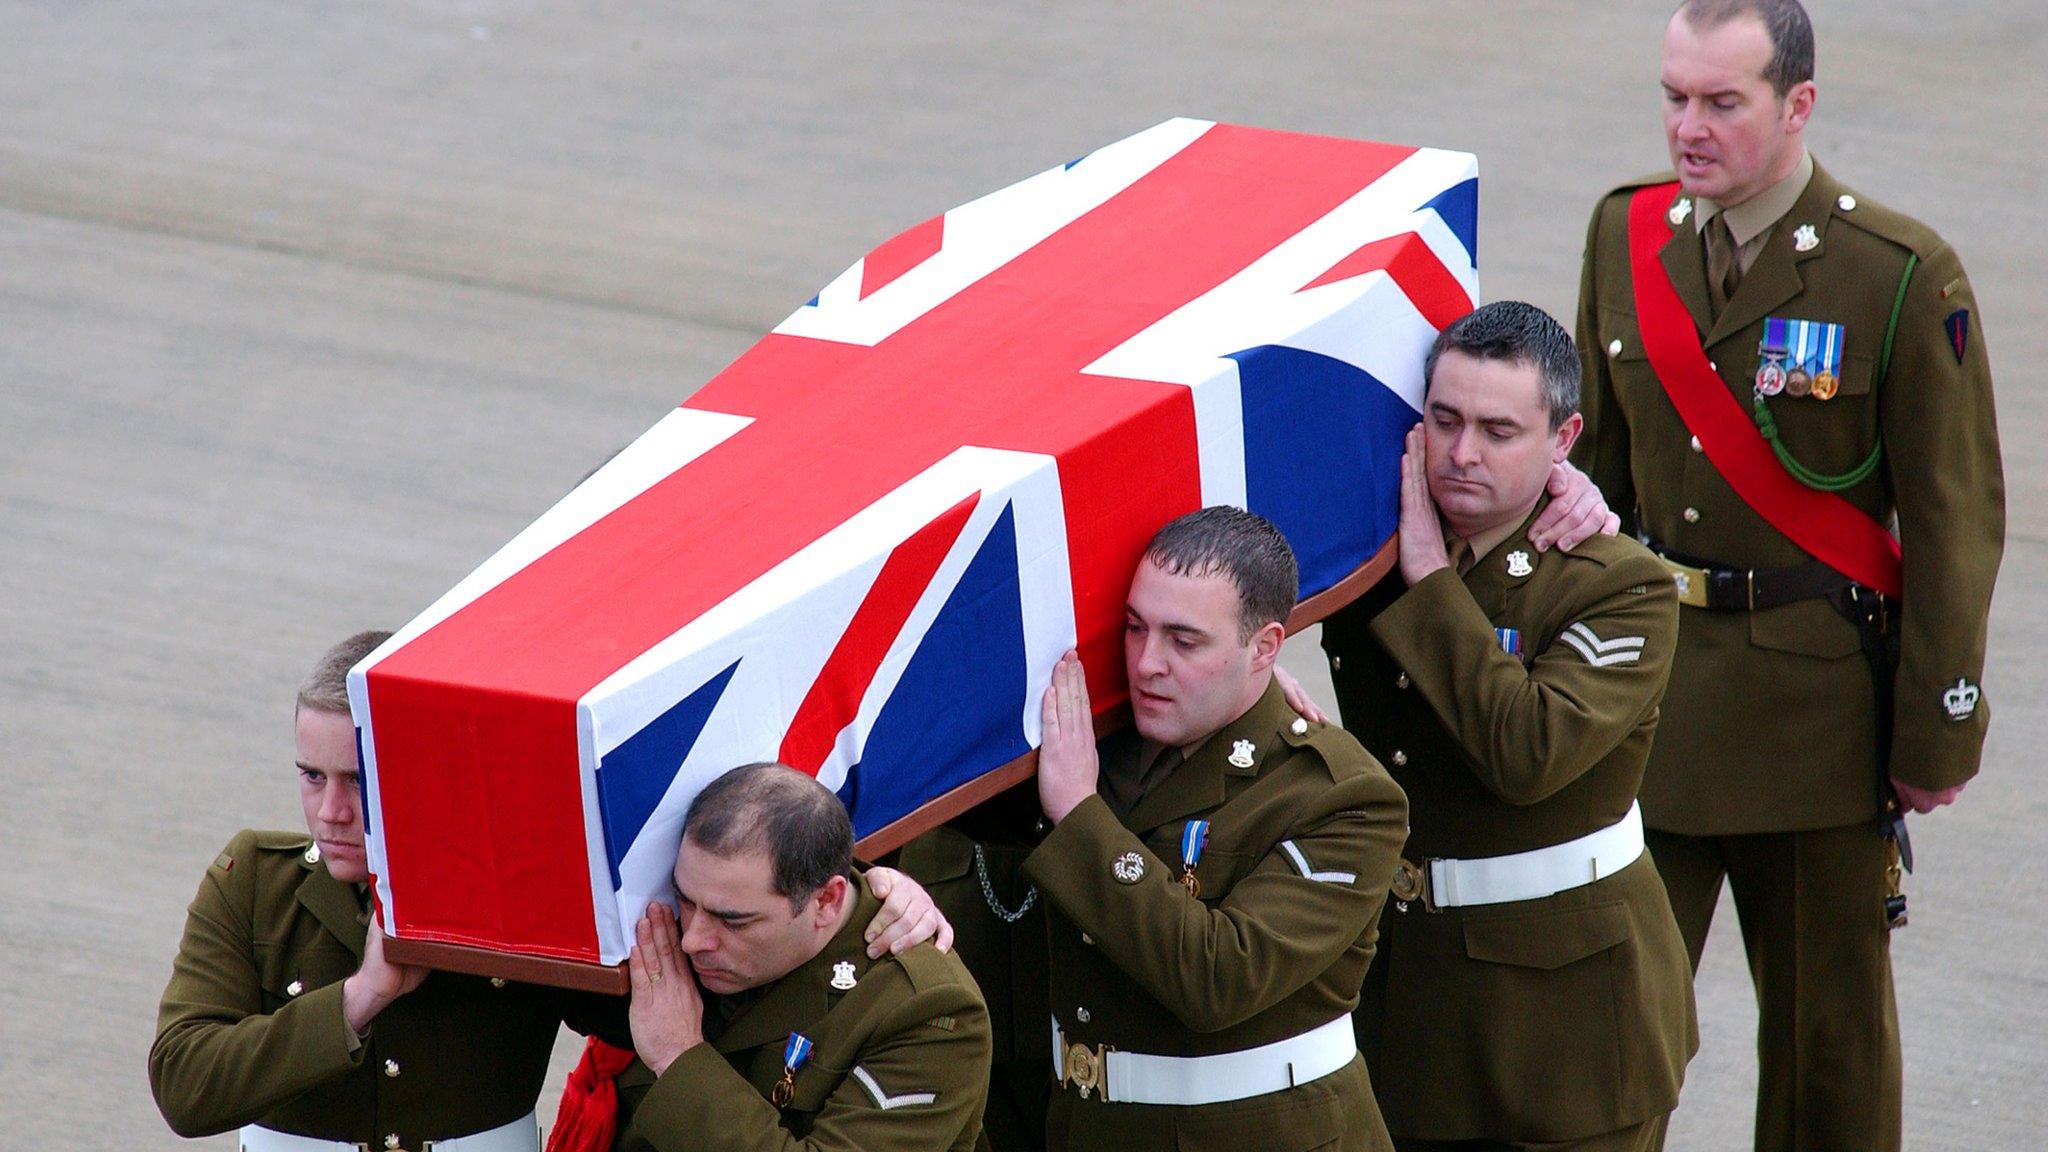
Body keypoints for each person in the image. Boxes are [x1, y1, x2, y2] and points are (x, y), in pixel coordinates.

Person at [1571, 3, 2004, 1149]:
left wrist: (1932, 735)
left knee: (1827, 1063)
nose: (1686, 128)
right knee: (1608, 1041)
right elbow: (1598, 489)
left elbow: (1954, 524)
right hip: (1645, 706)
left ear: (1794, 104)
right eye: (1672, 97)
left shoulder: (1896, 273)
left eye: (1721, 102)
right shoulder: (1623, 238)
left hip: (1811, 724)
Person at [150, 631, 950, 1152]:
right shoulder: (256, 880)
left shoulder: (517, 894)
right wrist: (358, 998)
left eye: (361, 782)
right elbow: (185, 1087)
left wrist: (864, 898)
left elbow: (726, 983)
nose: (331, 811)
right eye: (310, 776)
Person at [1312, 301, 1695, 1151]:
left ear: (1564, 441)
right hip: (1411, 994)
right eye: (1443, 420)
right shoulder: (1367, 546)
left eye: (1499, 430)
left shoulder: (1615, 583)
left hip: (1568, 1022)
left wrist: (1427, 581)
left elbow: (1529, 753)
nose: (1461, 454)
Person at [1024, 506, 1409, 1151]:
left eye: (1185, 641)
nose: (1146, 663)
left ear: (1263, 648)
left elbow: (1220, 978)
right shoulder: (1116, 741)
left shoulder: (1343, 796)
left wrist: (1081, 816)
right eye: (1134, 628)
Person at [615, 763, 991, 1152]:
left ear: (826, 901)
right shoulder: (681, 923)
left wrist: (678, 1055)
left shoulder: (928, 1010)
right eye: (686, 900)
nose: (692, 940)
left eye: (733, 921)